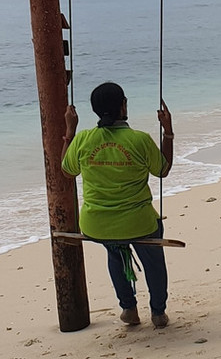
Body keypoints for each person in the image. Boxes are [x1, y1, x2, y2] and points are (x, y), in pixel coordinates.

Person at [61, 82, 174, 328]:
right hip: (139, 222)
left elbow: (67, 171)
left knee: (114, 249)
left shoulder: (83, 139)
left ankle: (129, 309)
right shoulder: (139, 140)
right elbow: (163, 170)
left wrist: (70, 131)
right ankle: (158, 313)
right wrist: (168, 133)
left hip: (97, 224)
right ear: (123, 105)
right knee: (153, 259)